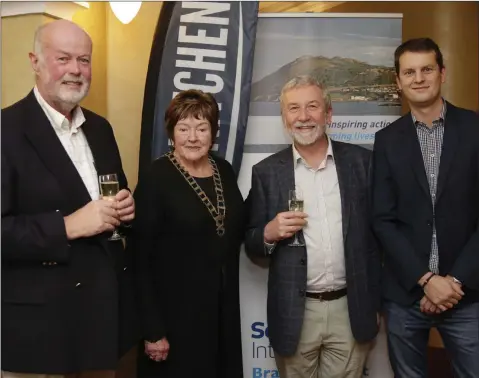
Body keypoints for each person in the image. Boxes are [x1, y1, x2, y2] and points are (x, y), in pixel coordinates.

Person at [1, 20, 138, 378]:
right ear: (35, 61)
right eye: (63, 58)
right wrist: (66, 227)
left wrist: (126, 208)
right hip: (39, 330)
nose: (76, 70)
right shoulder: (6, 130)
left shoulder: (101, 128)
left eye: (84, 60)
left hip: (99, 323)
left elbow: (112, 203)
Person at [245, 75, 381, 378]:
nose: (303, 117)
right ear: (284, 118)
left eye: (312, 107)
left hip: (351, 309)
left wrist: (375, 301)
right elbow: (251, 239)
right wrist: (268, 233)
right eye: (293, 109)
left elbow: (378, 236)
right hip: (295, 312)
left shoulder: (362, 163)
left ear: (328, 113)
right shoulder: (266, 173)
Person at [372, 37, 479, 378]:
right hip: (406, 295)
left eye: (427, 69)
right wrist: (426, 279)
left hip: (467, 291)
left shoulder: (476, 129)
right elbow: (382, 219)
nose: (418, 78)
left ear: (442, 73)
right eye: (409, 72)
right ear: (398, 81)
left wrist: (453, 281)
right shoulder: (387, 140)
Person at [132, 89, 244, 378]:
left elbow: (236, 226)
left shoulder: (225, 170)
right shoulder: (156, 178)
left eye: (201, 128)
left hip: (221, 315)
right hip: (174, 319)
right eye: (183, 128)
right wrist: (152, 329)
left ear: (213, 132)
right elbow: (138, 260)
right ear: (172, 133)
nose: (193, 137)